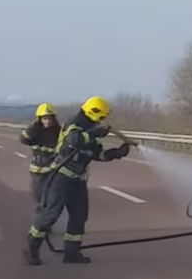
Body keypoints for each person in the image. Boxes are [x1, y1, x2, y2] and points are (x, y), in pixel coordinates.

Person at [23, 96, 131, 266]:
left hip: (78, 180)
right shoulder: (74, 124)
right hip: (61, 177)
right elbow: (74, 141)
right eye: (101, 117)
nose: (102, 120)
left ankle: (72, 253)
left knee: (79, 216)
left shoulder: (91, 129)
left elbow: (97, 154)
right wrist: (95, 132)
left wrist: (116, 153)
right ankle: (32, 249)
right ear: (94, 112)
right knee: (50, 215)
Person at [19, 103, 62, 205]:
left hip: (53, 170)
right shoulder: (35, 131)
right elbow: (23, 139)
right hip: (37, 171)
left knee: (54, 196)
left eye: (50, 119)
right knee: (39, 196)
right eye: (44, 119)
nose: (47, 121)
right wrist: (33, 127)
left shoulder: (58, 132)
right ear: (40, 119)